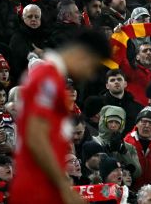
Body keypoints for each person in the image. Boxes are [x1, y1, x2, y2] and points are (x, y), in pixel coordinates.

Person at [9, 29, 111, 204]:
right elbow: (36, 137)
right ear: (83, 54)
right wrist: (63, 186)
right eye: (92, 66)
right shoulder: (47, 78)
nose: (89, 75)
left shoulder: (51, 79)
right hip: (36, 189)